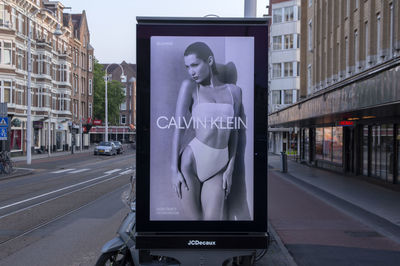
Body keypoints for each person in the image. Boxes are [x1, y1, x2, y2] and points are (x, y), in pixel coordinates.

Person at [171, 42, 243, 220]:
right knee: (194, 226)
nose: (191, 71)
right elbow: (178, 129)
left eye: (195, 65)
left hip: (220, 165)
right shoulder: (190, 87)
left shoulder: (234, 92)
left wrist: (230, 168)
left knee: (213, 224)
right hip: (192, 163)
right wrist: (174, 169)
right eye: (187, 67)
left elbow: (234, 132)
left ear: (209, 60)